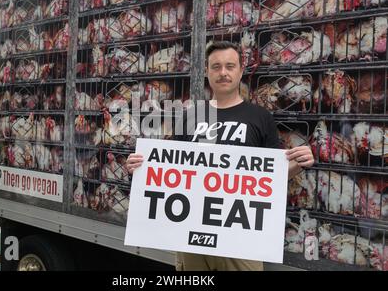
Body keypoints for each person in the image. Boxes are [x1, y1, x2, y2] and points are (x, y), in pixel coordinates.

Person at [126, 41, 314, 271]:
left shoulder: (260, 117)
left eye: (229, 66)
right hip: (192, 237)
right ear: (206, 72)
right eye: (216, 67)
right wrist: (141, 168)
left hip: (240, 241)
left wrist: (300, 163)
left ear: (240, 71)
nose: (223, 72)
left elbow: (272, 176)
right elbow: (170, 169)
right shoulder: (191, 116)